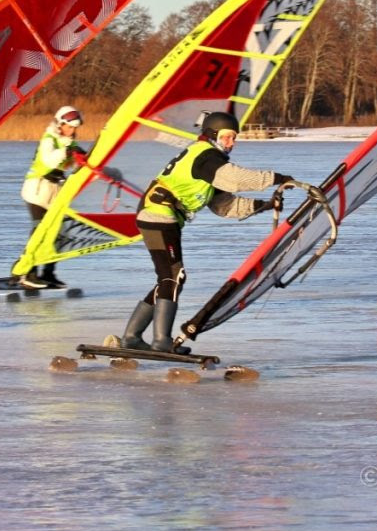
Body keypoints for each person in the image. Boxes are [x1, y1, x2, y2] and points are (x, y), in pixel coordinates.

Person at [120, 111, 293, 354]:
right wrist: (277, 178)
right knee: (173, 276)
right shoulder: (206, 157)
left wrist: (263, 205)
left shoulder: (210, 162)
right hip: (159, 214)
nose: (232, 143)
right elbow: (235, 179)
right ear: (213, 135)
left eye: (234, 138)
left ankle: (132, 336)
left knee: (168, 278)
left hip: (158, 215)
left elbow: (224, 206)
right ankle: (161, 341)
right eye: (227, 137)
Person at [14, 105, 87, 289]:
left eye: (75, 128)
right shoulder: (49, 140)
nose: (73, 131)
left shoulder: (68, 142)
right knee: (40, 231)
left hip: (55, 192)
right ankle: (26, 273)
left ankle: (48, 273)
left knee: (58, 233)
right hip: (37, 191)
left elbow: (71, 163)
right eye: (69, 127)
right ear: (59, 124)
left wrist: (81, 158)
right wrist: (67, 151)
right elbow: (49, 161)